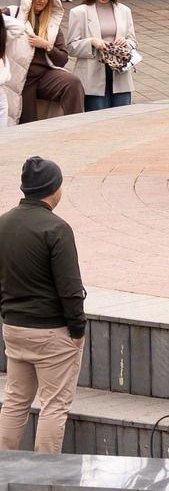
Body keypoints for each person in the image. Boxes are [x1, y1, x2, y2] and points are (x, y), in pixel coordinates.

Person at [0, 157, 86, 454]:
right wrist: (77, 329)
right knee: (54, 405)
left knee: (15, 401)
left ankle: (4, 469)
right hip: (52, 331)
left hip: (14, 327)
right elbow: (70, 287)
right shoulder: (56, 229)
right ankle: (44, 477)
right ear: (53, 189)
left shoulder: (4, 223)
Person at [59, 0, 136, 112]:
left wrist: (126, 42)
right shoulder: (79, 12)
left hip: (120, 72)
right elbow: (71, 47)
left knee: (123, 117)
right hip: (92, 73)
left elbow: (133, 42)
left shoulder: (124, 11)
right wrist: (91, 42)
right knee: (98, 117)